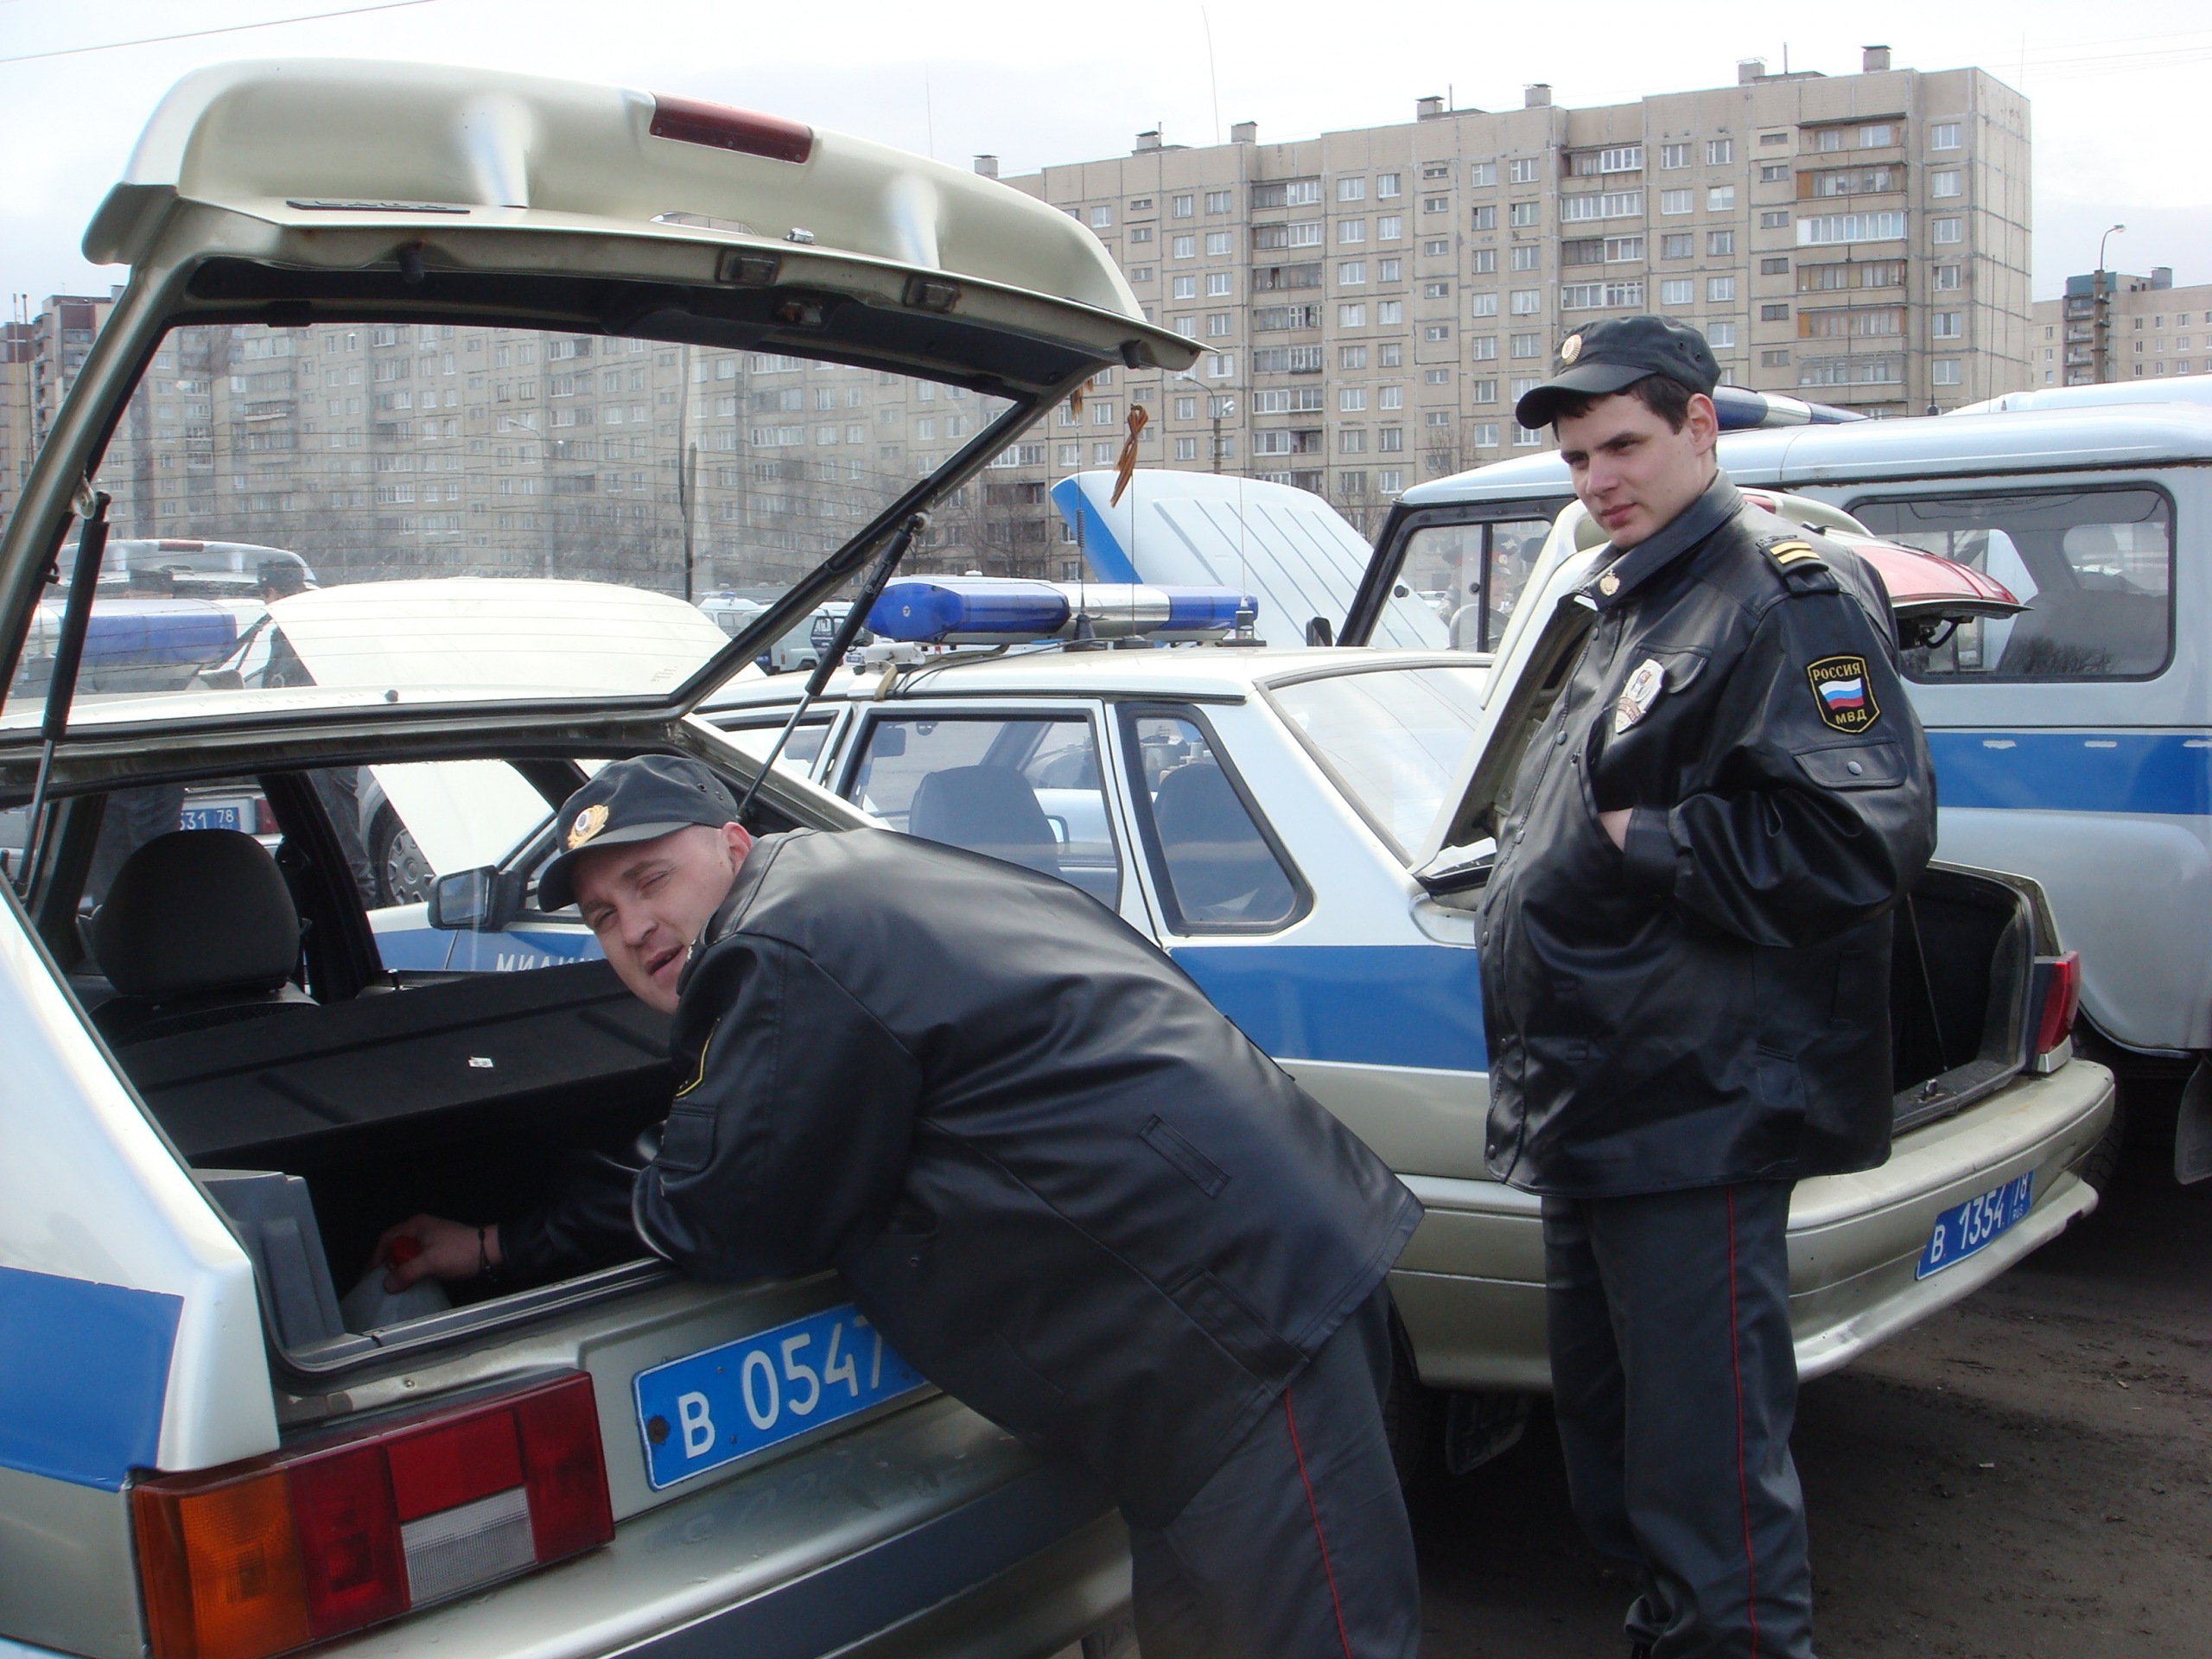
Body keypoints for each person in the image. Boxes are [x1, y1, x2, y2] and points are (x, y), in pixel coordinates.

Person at [379, 753, 1426, 1659]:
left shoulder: (776, 947)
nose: (635, 927)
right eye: (603, 916)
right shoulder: (848, 876)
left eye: (650, 879)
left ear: (733, 846)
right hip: (1206, 1326)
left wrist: (498, 1244)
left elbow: (717, 1211)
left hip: (1233, 1330)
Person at [1479, 316, 1936, 1659]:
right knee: (1620, 1455)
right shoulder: (1636, 593)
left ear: (1699, 426)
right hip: (1601, 1096)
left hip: (1698, 1105)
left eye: (1623, 444)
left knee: (1708, 1483)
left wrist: (1645, 839)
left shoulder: (1783, 594)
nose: (1598, 479)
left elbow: (1860, 838)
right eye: (1577, 458)